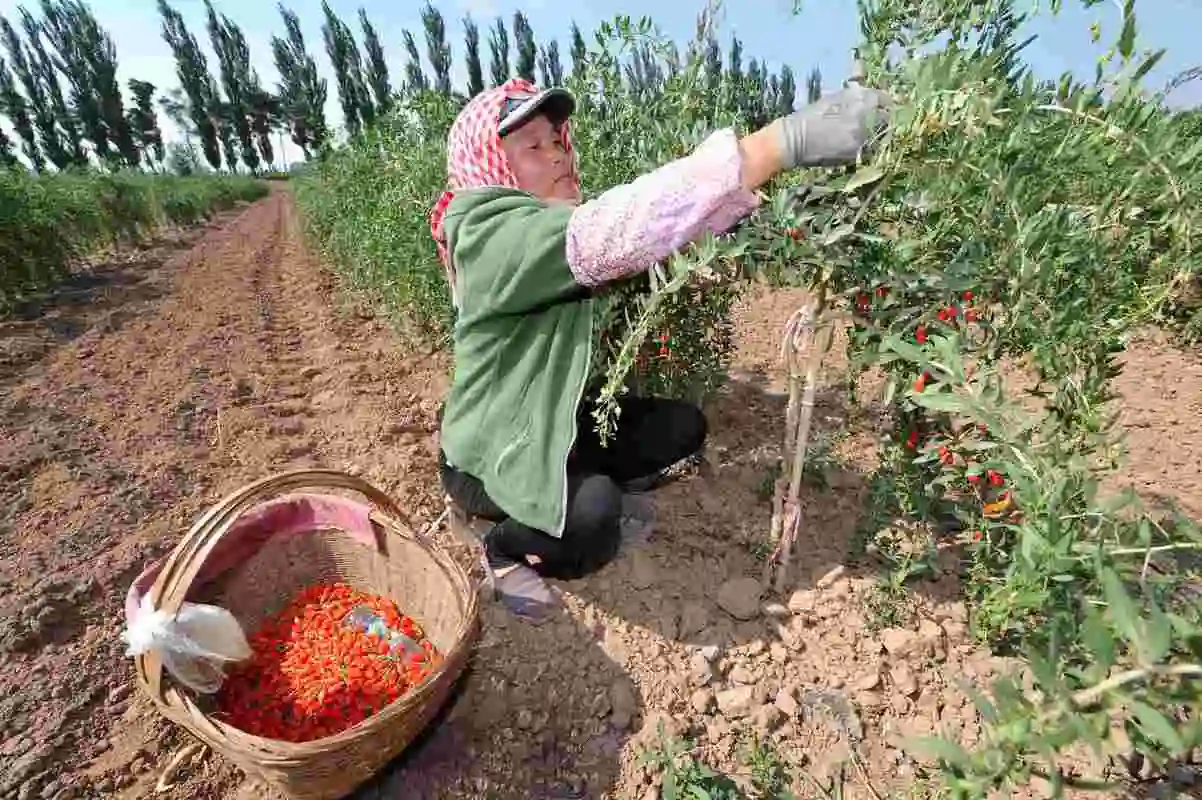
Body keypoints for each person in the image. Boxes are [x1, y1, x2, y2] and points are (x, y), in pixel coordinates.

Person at [431, 76, 890, 622]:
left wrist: (761, 195)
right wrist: (775, 145)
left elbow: (659, 233)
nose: (557, 156)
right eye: (533, 147)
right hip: (489, 457)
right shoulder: (488, 233)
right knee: (594, 514)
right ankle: (506, 546)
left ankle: (570, 483)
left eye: (557, 141)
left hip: (551, 425)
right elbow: (610, 234)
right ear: (491, 167)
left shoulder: (546, 230)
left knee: (680, 428)